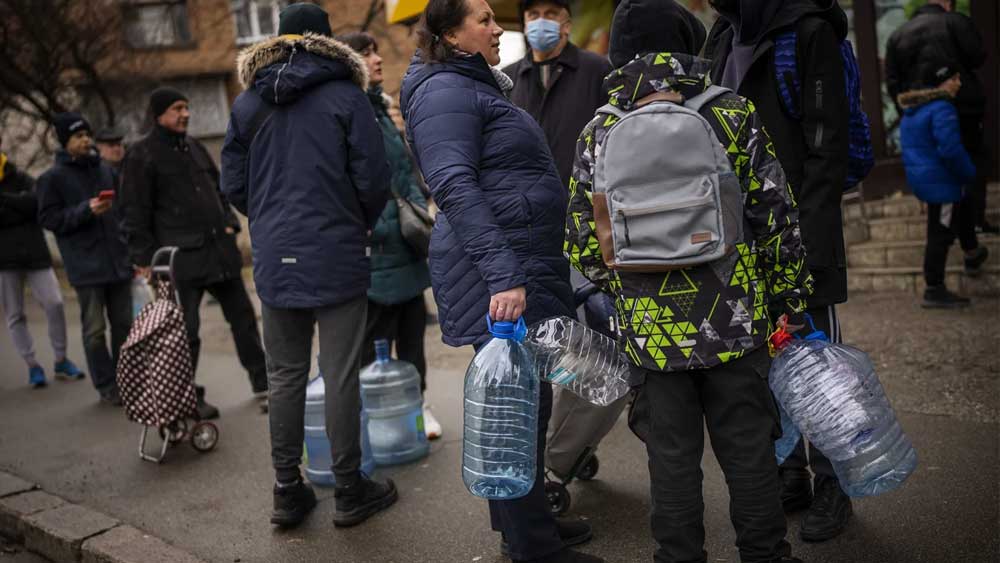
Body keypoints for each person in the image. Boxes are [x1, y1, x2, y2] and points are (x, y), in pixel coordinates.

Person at [567, 2, 813, 562]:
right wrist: (788, 298)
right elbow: (776, 215)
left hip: (652, 334)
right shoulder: (731, 113)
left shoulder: (599, 132)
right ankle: (765, 553)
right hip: (735, 319)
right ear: (689, 44)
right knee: (750, 449)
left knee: (671, 458)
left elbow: (581, 243)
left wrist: (631, 289)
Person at [401, 0, 596, 561]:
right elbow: (455, 187)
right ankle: (532, 547)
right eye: (483, 19)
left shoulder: (473, 84)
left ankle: (526, 529)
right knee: (518, 410)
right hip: (499, 272)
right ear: (450, 34)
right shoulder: (444, 91)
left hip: (517, 262)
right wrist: (505, 277)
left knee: (524, 405)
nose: (499, 27)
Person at [220, 3, 395, 529]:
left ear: (276, 40)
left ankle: (286, 490)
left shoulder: (248, 104)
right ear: (328, 40)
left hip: (276, 254)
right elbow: (373, 176)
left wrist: (271, 222)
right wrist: (354, 219)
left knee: (284, 375)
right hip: (337, 247)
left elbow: (233, 183)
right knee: (340, 373)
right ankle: (348, 488)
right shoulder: (347, 95)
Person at [707, 0, 854, 542]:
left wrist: (807, 246)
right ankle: (790, 472)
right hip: (743, 238)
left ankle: (835, 483)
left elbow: (826, 146)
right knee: (767, 363)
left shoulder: (810, 32)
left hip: (804, 234)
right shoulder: (722, 34)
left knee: (819, 367)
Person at [120, 87, 268, 420]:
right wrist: (143, 259)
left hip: (220, 253)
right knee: (183, 334)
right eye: (177, 108)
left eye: (186, 107)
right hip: (179, 261)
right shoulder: (141, 155)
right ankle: (185, 399)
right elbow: (133, 210)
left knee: (244, 322)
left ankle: (264, 385)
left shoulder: (195, 147)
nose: (185, 114)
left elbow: (220, 188)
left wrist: (230, 221)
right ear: (159, 115)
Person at [341, 31, 442, 440]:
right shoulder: (349, 112)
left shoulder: (380, 110)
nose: (378, 59)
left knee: (412, 335)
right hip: (378, 251)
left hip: (405, 243)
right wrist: (379, 228)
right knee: (374, 344)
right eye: (366, 54)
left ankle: (417, 407)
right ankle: (376, 419)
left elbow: (404, 172)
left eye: (375, 50)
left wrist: (419, 208)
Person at [36, 113, 132, 405]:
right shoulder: (51, 179)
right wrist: (85, 210)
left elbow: (125, 211)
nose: (86, 140)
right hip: (86, 267)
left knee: (125, 327)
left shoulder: (105, 170)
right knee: (94, 331)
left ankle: (126, 381)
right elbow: (49, 218)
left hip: (118, 262)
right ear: (65, 142)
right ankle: (106, 385)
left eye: (87, 134)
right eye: (78, 136)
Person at [885, 0, 995, 235]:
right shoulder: (955, 22)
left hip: (919, 113)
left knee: (938, 168)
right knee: (971, 161)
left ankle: (955, 230)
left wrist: (909, 112)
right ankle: (973, 224)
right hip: (963, 107)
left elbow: (892, 81)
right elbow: (978, 55)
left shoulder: (897, 35)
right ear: (948, 4)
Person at [898, 62, 987, 308]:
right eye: (954, 78)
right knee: (940, 234)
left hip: (928, 180)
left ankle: (972, 251)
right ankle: (934, 287)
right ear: (941, 82)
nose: (958, 82)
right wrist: (969, 172)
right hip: (943, 181)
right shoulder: (941, 108)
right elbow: (950, 149)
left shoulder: (914, 110)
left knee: (960, 210)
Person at [0, 133, 83, 389]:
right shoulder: (22, 183)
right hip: (4, 260)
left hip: (36, 254)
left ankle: (61, 360)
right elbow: (25, 207)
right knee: (15, 314)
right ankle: (32, 366)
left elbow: (37, 204)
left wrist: (8, 203)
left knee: (55, 303)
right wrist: (21, 206)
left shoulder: (19, 175)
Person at [501, 0, 612, 188]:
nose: (541, 21)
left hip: (583, 198)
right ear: (526, 26)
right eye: (533, 15)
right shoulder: (508, 78)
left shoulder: (597, 70)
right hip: (526, 200)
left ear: (567, 25)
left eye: (551, 14)